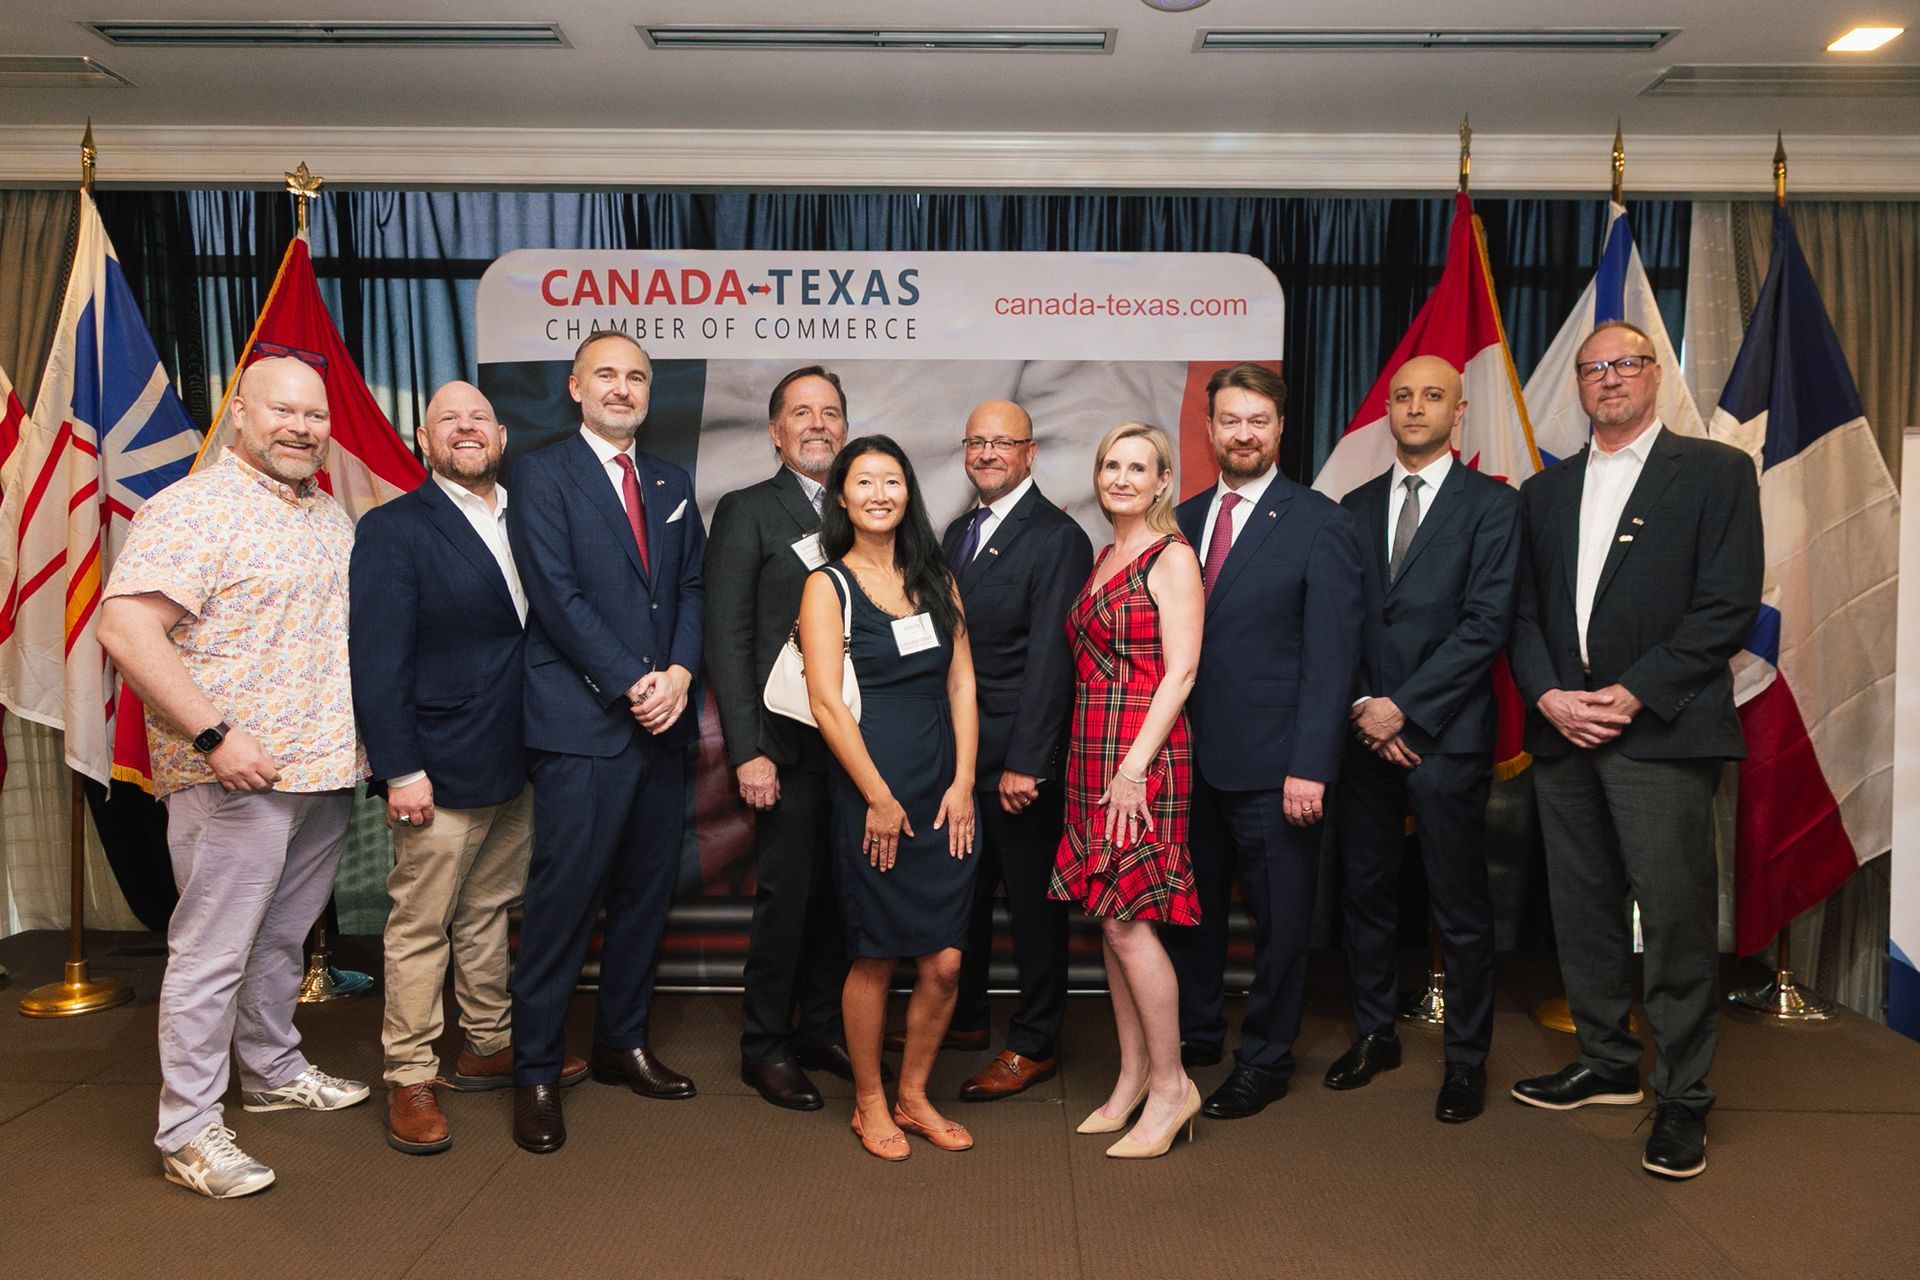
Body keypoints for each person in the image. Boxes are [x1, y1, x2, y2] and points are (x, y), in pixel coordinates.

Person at [98, 355, 371, 1199]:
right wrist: (215, 735)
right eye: (282, 411)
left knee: (281, 942)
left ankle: (271, 1070)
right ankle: (186, 1130)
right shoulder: (194, 509)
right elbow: (124, 627)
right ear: (240, 413)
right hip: (232, 782)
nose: (302, 427)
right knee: (211, 953)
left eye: (315, 415)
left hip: (321, 774)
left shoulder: (328, 514)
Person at [1508, 321, 1762, 1180]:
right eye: (1594, 368)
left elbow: (1725, 608)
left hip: (1660, 729)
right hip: (1561, 726)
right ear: (1577, 386)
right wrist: (1547, 693)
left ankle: (1684, 1098)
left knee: (1677, 916)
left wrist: (1634, 691)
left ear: (1656, 374)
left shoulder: (1717, 474)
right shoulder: (1544, 493)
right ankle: (1609, 1066)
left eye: (1626, 364)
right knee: (1581, 911)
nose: (1610, 379)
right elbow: (1520, 615)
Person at [350, 381, 581, 1155]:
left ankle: (487, 1042)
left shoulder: (535, 516)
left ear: (503, 437)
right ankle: (409, 1073)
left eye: (479, 417)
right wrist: (400, 768)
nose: (466, 428)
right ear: (424, 440)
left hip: (521, 753)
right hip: (437, 763)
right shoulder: (393, 529)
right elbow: (377, 662)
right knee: (421, 922)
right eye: (449, 419)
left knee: (488, 909)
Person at [503, 331, 706, 1154]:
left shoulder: (671, 480)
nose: (623, 389)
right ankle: (538, 1072)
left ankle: (623, 1044)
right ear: (575, 387)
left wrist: (684, 674)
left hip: (664, 726)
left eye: (637, 378)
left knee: (644, 901)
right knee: (562, 908)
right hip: (584, 726)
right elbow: (555, 595)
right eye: (608, 376)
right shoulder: (540, 474)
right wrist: (635, 681)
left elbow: (691, 584)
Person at [1164, 362, 1364, 1120]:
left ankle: (1269, 1056)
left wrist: (1311, 766)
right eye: (1229, 420)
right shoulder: (1178, 521)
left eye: (1258, 420)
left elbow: (1331, 657)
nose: (1242, 433)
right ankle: (1197, 1031)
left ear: (1280, 429)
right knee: (1194, 913)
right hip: (1188, 764)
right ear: (1209, 429)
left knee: (1280, 924)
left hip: (1277, 767)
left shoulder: (1320, 522)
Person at [1330, 356, 1520, 1123]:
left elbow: (1487, 625)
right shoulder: (1352, 504)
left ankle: (1468, 1059)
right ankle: (1376, 1033)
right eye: (1403, 396)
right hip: (1363, 736)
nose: (1415, 407)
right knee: (1365, 893)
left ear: (1459, 411)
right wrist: (1366, 710)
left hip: (1445, 736)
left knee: (1459, 905)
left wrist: (1404, 709)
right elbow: (1336, 624)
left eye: (1432, 396)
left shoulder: (1494, 506)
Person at [798, 435, 979, 1160]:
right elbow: (825, 703)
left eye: (893, 481)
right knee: (874, 955)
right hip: (873, 793)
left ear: (909, 493)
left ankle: (913, 1094)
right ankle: (870, 1102)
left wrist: (965, 781)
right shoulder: (826, 585)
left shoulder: (936, 575)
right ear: (842, 496)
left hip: (945, 793)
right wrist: (875, 794)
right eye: (864, 481)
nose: (879, 493)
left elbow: (962, 681)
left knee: (945, 962)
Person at [1049, 422, 1206, 1159]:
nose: (1120, 476)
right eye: (1110, 463)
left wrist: (1134, 767)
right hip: (1093, 753)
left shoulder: (1171, 556)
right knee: (1108, 918)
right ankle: (1133, 1075)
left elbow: (1180, 672)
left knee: (1128, 922)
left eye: (1137, 467)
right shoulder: (1107, 553)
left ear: (1162, 481)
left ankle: (1173, 1087)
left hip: (1142, 759)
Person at [705, 366, 855, 1111]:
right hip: (783, 749)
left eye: (830, 412)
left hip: (853, 749)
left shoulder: (865, 510)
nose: (817, 423)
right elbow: (726, 637)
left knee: (839, 898)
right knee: (788, 899)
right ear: (775, 431)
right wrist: (747, 749)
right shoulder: (747, 511)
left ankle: (820, 1026)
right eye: (802, 412)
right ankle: (764, 1044)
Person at [944, 400, 1092, 1102]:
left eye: (1004, 442)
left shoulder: (1057, 537)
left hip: (1017, 762)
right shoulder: (957, 532)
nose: (989, 453)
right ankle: (966, 1016)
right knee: (963, 896)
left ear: (1031, 452)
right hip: (959, 758)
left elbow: (1053, 661)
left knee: (1032, 908)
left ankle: (1034, 1041)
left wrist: (1029, 762)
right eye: (978, 442)